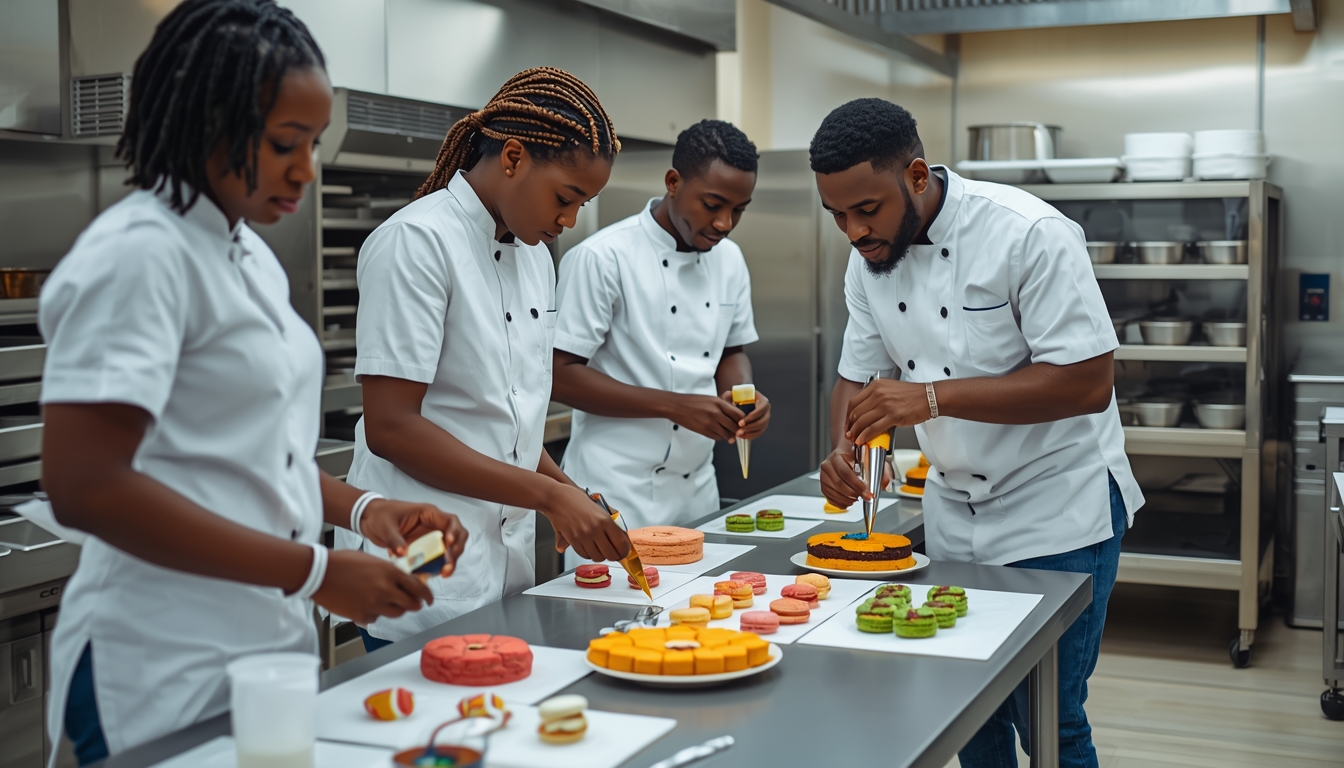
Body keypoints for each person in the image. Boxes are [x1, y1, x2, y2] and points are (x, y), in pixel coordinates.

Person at [37, 2, 467, 765]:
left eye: (314, 143)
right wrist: (317, 572)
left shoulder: (248, 256)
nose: (306, 169)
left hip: (262, 653)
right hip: (158, 664)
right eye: (283, 143)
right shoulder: (138, 254)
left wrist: (366, 510)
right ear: (208, 121)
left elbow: (261, 456)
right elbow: (85, 487)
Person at [811, 98, 1142, 768]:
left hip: (1056, 506)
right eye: (837, 215)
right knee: (967, 709)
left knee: (1048, 719)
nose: (853, 231)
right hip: (954, 509)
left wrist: (930, 399)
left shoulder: (1026, 232)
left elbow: (1087, 382)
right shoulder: (867, 259)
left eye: (866, 209)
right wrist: (846, 449)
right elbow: (860, 375)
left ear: (916, 175)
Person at [343, 67, 632, 650]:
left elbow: (507, 421)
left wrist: (568, 491)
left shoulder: (536, 258)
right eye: (565, 198)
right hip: (421, 566)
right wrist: (549, 497)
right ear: (513, 157)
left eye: (582, 204)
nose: (569, 220)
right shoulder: (417, 242)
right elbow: (392, 428)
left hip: (504, 573)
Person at [551, 119, 770, 535]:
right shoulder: (602, 258)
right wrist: (676, 406)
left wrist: (743, 399)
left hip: (698, 491)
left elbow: (731, 351)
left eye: (738, 210)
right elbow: (558, 376)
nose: (724, 223)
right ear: (673, 182)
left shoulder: (730, 260)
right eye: (712, 204)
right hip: (616, 490)